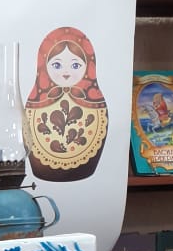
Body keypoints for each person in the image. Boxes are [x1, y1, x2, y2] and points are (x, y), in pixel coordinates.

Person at [23, 26, 109, 181]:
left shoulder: (95, 101)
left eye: (75, 65)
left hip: (84, 169)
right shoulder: (37, 100)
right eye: (57, 65)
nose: (66, 73)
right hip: (42, 170)